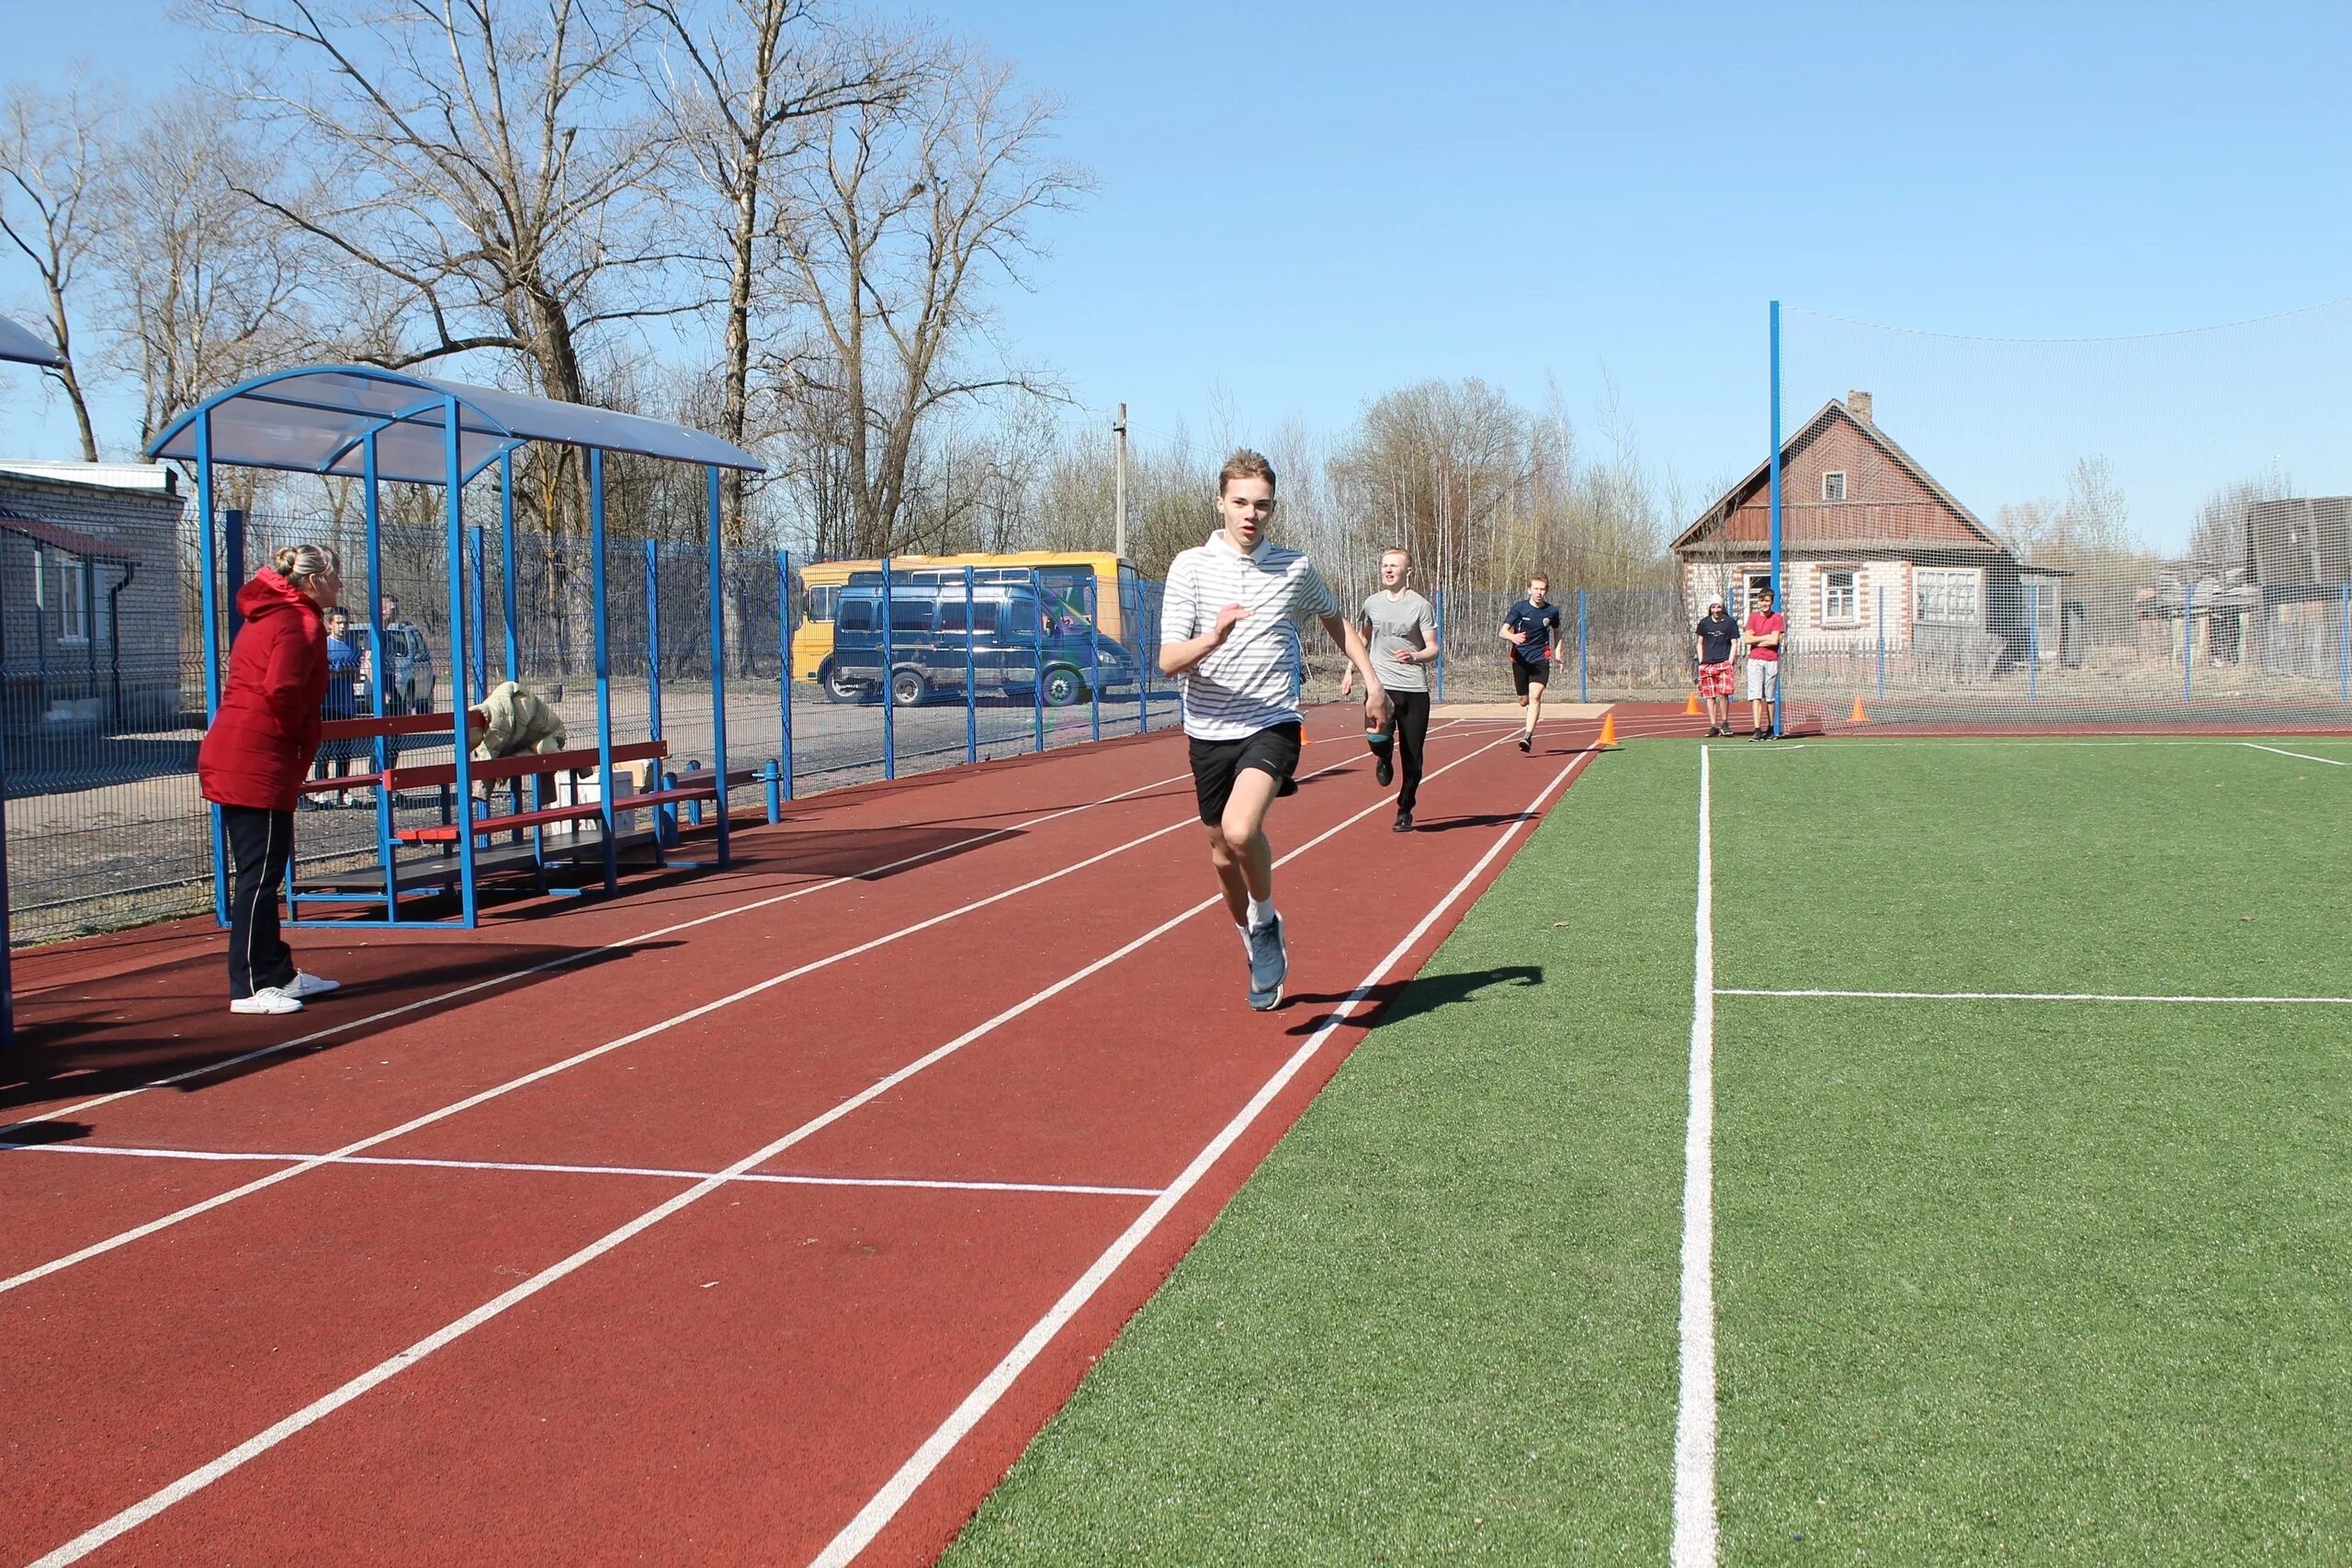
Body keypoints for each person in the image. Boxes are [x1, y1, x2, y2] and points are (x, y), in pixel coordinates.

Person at [1159, 449, 1389, 1010]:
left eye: (1261, 505)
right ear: (1220, 502)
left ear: (1273, 509)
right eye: (1240, 502)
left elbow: (1335, 621)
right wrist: (1213, 638)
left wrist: (1372, 681)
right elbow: (1168, 661)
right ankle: (1253, 939)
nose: (1250, 515)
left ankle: (1265, 924)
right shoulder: (1190, 566)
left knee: (1241, 831)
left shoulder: (1295, 568)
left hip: (1271, 720)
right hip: (1208, 727)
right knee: (1219, 853)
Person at [197, 545, 347, 1016]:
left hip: (249, 752)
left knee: (266, 870)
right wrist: (306, 732)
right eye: (335, 577)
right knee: (258, 875)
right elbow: (281, 690)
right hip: (253, 757)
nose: (340, 586)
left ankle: (278, 972)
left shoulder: (273, 615)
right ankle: (247, 986)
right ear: (314, 581)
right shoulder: (297, 622)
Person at [1340, 547, 1438, 831]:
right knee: (1377, 740)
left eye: (1394, 566)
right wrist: (1349, 672)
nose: (1388, 570)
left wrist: (1415, 656)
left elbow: (1433, 648)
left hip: (1414, 689)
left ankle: (1405, 808)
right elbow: (1361, 641)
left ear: (1408, 571)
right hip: (1380, 686)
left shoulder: (1421, 606)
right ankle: (1384, 757)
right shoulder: (1372, 603)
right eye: (1384, 565)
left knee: (1414, 760)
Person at [1499, 574, 1563, 753]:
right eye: (1536, 588)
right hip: (1520, 659)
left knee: (1535, 696)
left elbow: (1557, 631)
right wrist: (1513, 636)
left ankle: (1527, 736)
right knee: (1523, 700)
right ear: (1529, 590)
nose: (1539, 592)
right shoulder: (1520, 608)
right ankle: (1525, 704)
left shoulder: (1552, 611)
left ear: (1546, 591)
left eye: (1542, 589)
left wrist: (1558, 651)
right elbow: (1503, 631)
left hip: (1540, 659)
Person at [310, 605, 364, 806]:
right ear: (330, 624)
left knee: (344, 750)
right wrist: (338, 672)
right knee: (324, 750)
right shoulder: (323, 645)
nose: (343, 627)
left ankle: (343, 792)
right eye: (339, 623)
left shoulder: (352, 647)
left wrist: (342, 671)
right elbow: (322, 674)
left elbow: (356, 673)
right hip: (326, 705)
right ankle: (321, 791)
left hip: (347, 705)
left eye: (346, 623)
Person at [1692, 592, 1740, 738]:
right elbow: (1700, 642)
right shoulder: (1704, 623)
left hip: (1723, 663)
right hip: (1707, 664)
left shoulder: (1730, 622)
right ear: (1710, 608)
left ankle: (1724, 722)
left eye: (1718, 607)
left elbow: (1734, 642)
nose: (1716, 610)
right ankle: (1713, 725)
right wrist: (1701, 660)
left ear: (1722, 607)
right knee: (1709, 696)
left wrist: (1730, 661)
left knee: (1724, 694)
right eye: (1713, 607)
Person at [1744, 582, 1786, 739]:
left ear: (1771, 602)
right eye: (1762, 601)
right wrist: (1763, 638)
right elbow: (1748, 639)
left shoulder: (1777, 618)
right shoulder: (1753, 617)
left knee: (1769, 696)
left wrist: (1758, 640)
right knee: (1755, 695)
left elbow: (1775, 641)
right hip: (1755, 660)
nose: (1764, 604)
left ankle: (1770, 728)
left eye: (1767, 601)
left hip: (1771, 660)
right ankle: (1757, 729)